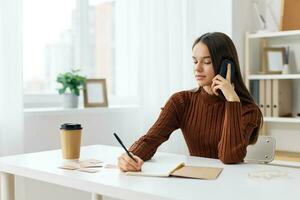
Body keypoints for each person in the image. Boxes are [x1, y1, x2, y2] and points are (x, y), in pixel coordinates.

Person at [117, 32, 263, 172]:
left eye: (207, 62)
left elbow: (229, 156)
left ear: (226, 65)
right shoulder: (181, 101)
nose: (197, 68)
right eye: (195, 61)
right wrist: (131, 156)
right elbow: (152, 139)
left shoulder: (247, 110)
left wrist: (232, 101)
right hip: (194, 183)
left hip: (232, 186)